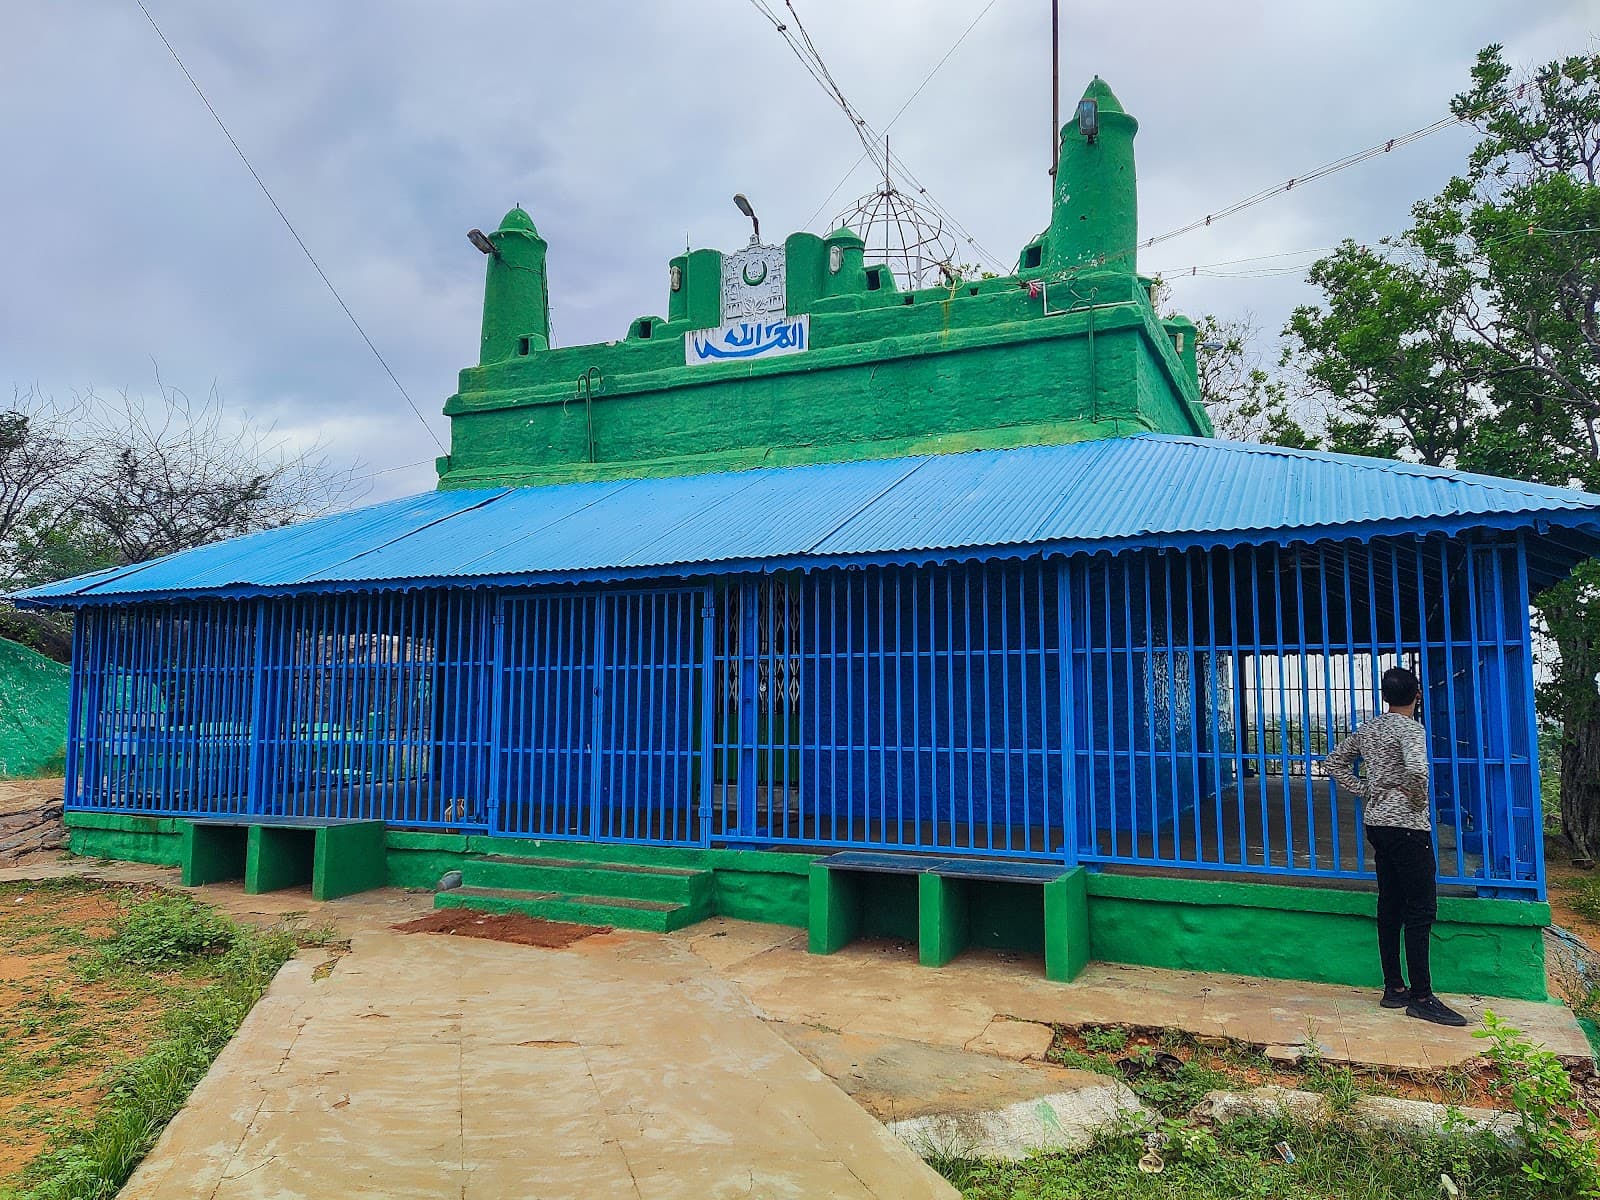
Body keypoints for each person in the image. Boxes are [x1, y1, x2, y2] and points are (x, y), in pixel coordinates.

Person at [1324, 666, 1467, 1027]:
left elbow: (1334, 763)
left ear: (1385, 696)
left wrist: (1366, 790)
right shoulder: (1410, 729)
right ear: (1416, 695)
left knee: (1390, 904)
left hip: (1377, 824)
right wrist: (1417, 801)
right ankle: (1421, 996)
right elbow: (1418, 771)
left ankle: (1394, 988)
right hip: (1407, 826)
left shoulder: (1371, 727)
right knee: (1420, 907)